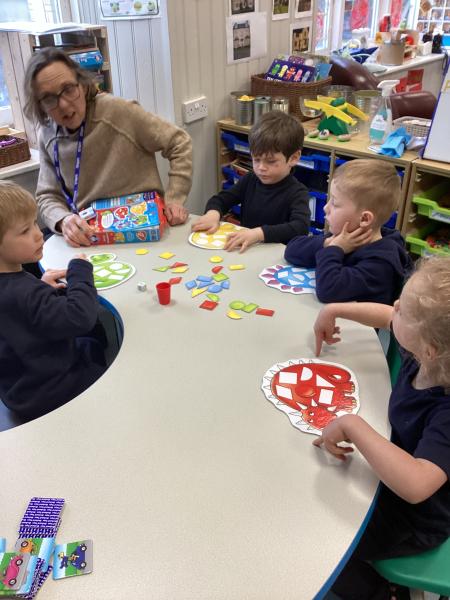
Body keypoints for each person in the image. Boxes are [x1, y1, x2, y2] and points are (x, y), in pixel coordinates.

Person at [313, 256, 450, 600]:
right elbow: (386, 315)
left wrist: (352, 424)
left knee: (321, 536)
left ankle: (381, 591)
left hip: (416, 518)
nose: (395, 306)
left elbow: (417, 485)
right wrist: (335, 309)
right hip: (391, 474)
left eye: (404, 310)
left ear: (430, 350)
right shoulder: (427, 352)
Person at [24, 47, 193, 248]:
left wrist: (174, 199)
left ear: (82, 84)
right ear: (40, 105)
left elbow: (179, 141)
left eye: (69, 89)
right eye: (49, 98)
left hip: (143, 232)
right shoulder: (47, 133)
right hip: (90, 239)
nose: (64, 105)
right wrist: (63, 220)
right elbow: (47, 196)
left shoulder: (118, 112)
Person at [0, 181, 107, 420]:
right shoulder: (26, 292)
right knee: (97, 346)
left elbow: (17, 311)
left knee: (89, 344)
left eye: (34, 223)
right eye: (25, 231)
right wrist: (80, 270)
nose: (39, 233)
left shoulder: (16, 286)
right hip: (53, 391)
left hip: (18, 390)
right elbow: (81, 317)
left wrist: (40, 286)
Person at [284, 159, 412, 304]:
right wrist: (327, 243)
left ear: (364, 219)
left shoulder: (381, 264)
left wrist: (334, 249)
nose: (326, 208)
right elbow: (291, 250)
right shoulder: (347, 235)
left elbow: (329, 290)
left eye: (335, 203)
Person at [191, 111, 310, 253]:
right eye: (256, 159)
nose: (261, 167)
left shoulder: (298, 192)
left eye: (271, 161)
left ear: (294, 158)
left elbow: (300, 227)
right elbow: (221, 199)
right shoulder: (251, 179)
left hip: (277, 257)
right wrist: (213, 214)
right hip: (247, 251)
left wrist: (258, 234)